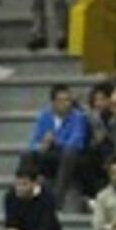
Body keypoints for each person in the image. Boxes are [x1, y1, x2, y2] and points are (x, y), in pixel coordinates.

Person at [28, 83, 88, 212]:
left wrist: (55, 141)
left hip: (70, 155)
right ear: (53, 103)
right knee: (27, 155)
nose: (66, 104)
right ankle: (24, 194)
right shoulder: (44, 116)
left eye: (68, 100)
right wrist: (40, 146)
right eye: (61, 100)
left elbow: (77, 142)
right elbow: (33, 142)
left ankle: (57, 201)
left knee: (69, 152)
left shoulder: (78, 117)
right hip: (49, 153)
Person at [0, 163, 65, 230]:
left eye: (24, 184)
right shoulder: (10, 197)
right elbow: (10, 223)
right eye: (17, 184)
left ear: (34, 183)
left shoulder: (47, 197)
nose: (20, 188)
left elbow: (45, 229)